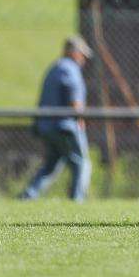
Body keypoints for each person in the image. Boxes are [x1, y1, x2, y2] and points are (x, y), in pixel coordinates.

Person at [19, 35, 93, 201]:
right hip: (65, 126)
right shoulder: (70, 69)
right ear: (73, 52)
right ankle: (77, 201)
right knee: (81, 163)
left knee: (51, 165)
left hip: (46, 126)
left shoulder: (54, 68)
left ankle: (28, 195)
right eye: (82, 54)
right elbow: (74, 100)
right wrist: (80, 120)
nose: (83, 59)